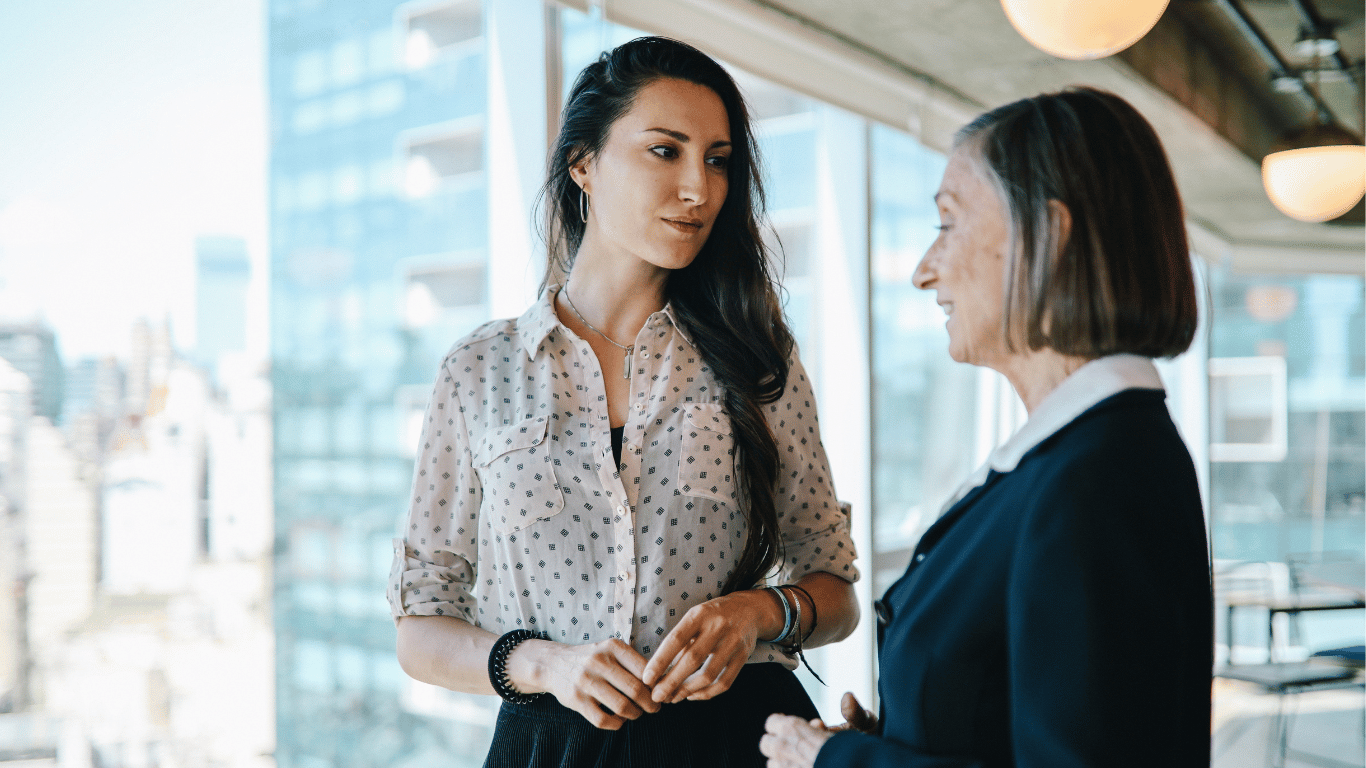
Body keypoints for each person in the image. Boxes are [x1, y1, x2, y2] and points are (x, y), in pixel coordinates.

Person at [387, 36, 860, 768]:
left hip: (740, 741)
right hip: (553, 746)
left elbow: (834, 588)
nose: (699, 188)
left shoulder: (758, 358)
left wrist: (757, 612)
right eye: (665, 151)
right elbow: (421, 628)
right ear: (584, 163)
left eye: (718, 160)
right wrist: (544, 664)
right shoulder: (478, 371)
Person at [761, 86, 1213, 767]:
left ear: (1048, 237)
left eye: (948, 223)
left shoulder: (1095, 482)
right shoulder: (1079, 462)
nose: (923, 270)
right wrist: (904, 734)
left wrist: (838, 763)